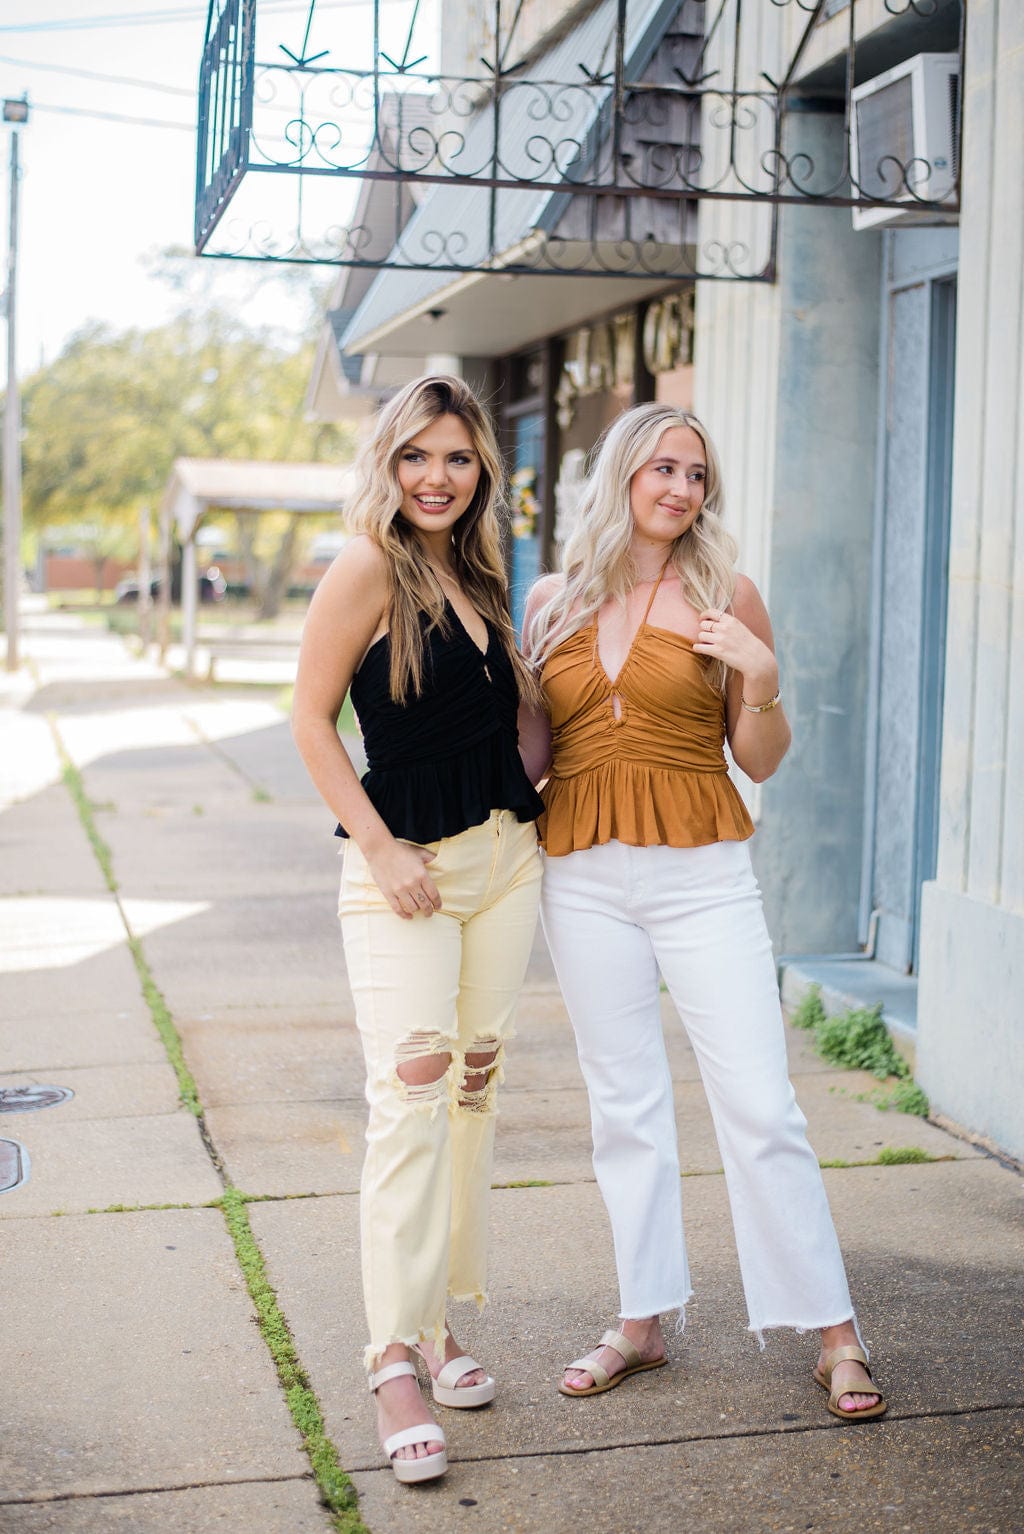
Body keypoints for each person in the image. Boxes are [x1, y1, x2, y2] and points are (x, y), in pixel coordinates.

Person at [520, 402, 886, 1424]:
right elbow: (534, 755)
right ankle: (642, 1318)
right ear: (623, 475)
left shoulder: (728, 592)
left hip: (702, 875)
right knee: (622, 1103)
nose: (681, 489)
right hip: (581, 873)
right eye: (663, 469)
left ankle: (832, 1330)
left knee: (761, 1106)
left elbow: (759, 757)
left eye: (696, 474)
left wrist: (761, 680)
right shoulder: (550, 599)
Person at [292, 375, 544, 1484]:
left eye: (455, 457)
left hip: (503, 861)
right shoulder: (366, 566)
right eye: (415, 457)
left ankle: (441, 1321)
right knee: (410, 1092)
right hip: (409, 873)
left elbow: (512, 721)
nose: (436, 477)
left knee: (471, 1089)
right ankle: (391, 1353)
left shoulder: (480, 574)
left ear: (480, 468)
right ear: (387, 465)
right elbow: (307, 714)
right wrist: (380, 845)